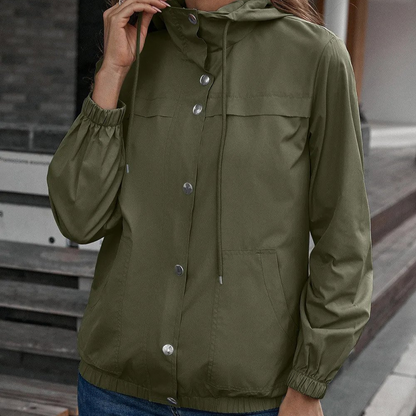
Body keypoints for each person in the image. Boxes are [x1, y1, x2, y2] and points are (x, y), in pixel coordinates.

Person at [46, 0, 374, 415]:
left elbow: (344, 243)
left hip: (248, 398)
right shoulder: (137, 50)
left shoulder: (315, 57)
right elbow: (78, 217)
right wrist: (111, 73)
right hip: (117, 392)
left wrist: (309, 382)